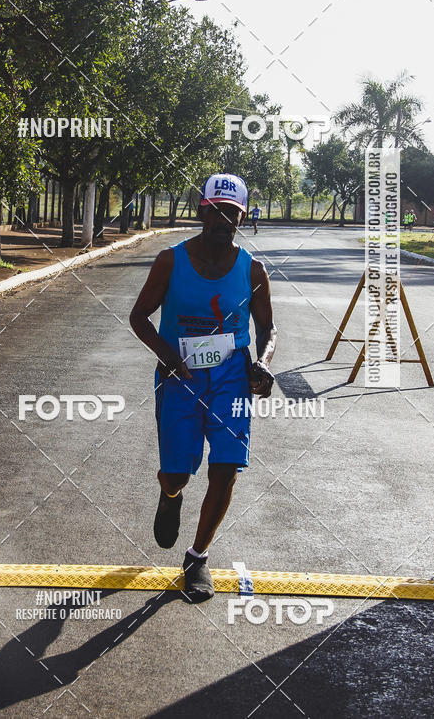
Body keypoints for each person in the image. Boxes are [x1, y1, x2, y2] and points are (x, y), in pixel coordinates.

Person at [129, 172, 277, 603]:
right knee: (177, 471)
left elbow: (267, 328)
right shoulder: (170, 261)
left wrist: (263, 364)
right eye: (214, 210)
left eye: (230, 213)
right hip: (181, 377)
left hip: (231, 378)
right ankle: (170, 493)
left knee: (226, 467)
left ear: (241, 218)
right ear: (201, 211)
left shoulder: (253, 270)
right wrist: (167, 354)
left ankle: (197, 558)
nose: (220, 219)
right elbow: (139, 317)